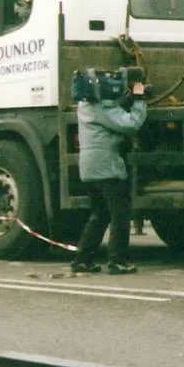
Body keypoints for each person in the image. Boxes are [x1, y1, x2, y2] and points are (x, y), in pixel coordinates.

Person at [71, 68, 148, 275]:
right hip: (107, 168)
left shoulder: (85, 106)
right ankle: (117, 261)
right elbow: (131, 124)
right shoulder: (102, 110)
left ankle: (82, 260)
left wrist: (127, 98)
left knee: (100, 215)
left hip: (89, 168)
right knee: (120, 215)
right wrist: (139, 98)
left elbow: (112, 109)